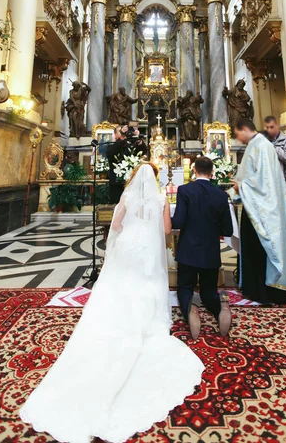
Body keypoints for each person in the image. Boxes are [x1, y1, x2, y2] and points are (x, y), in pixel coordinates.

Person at [20, 163, 204, 443]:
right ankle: (145, 319)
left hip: (130, 244)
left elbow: (116, 225)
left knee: (123, 284)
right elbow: (167, 230)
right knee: (148, 283)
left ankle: (120, 314)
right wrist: (152, 226)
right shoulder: (161, 198)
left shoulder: (128, 197)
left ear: (134, 178)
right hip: (148, 249)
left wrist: (128, 233)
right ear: (154, 179)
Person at [231, 119, 286, 304]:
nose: (238, 138)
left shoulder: (261, 145)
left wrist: (241, 186)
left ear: (245, 129)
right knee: (253, 247)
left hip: (260, 209)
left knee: (259, 247)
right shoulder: (257, 144)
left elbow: (263, 181)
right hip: (253, 206)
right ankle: (254, 288)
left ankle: (264, 291)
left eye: (238, 133)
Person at [172, 156, 234, 340]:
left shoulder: (185, 190)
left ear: (194, 171)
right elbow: (228, 230)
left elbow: (178, 222)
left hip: (188, 252)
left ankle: (190, 309)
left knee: (184, 287)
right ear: (212, 172)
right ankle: (220, 308)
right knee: (208, 292)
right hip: (210, 253)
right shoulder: (221, 195)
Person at [107, 124, 148, 203]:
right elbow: (111, 153)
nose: (124, 133)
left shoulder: (132, 145)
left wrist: (138, 139)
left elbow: (143, 151)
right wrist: (122, 138)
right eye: (120, 131)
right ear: (115, 135)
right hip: (117, 184)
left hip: (132, 183)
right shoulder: (111, 146)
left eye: (125, 131)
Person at [264, 115, 286, 206]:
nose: (269, 130)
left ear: (277, 126)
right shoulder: (263, 141)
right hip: (268, 185)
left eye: (271, 127)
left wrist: (273, 147)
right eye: (267, 127)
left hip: (283, 184)